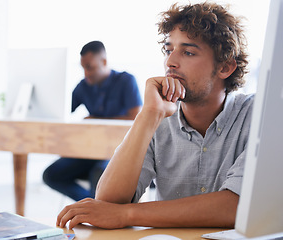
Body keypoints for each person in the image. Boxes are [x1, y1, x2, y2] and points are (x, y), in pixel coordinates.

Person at [57, 2, 253, 229]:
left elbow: (237, 206)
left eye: (188, 52)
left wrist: (127, 215)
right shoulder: (158, 118)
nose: (170, 62)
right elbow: (107, 203)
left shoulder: (256, 116)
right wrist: (148, 115)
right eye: (169, 50)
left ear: (226, 67)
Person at [43, 41, 142, 201]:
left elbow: (136, 118)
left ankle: (94, 207)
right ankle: (89, 203)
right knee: (50, 175)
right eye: (83, 68)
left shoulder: (126, 81)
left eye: (89, 67)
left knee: (99, 174)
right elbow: (62, 112)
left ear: (103, 62)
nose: (86, 73)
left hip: (117, 152)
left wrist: (96, 119)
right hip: (89, 151)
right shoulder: (83, 87)